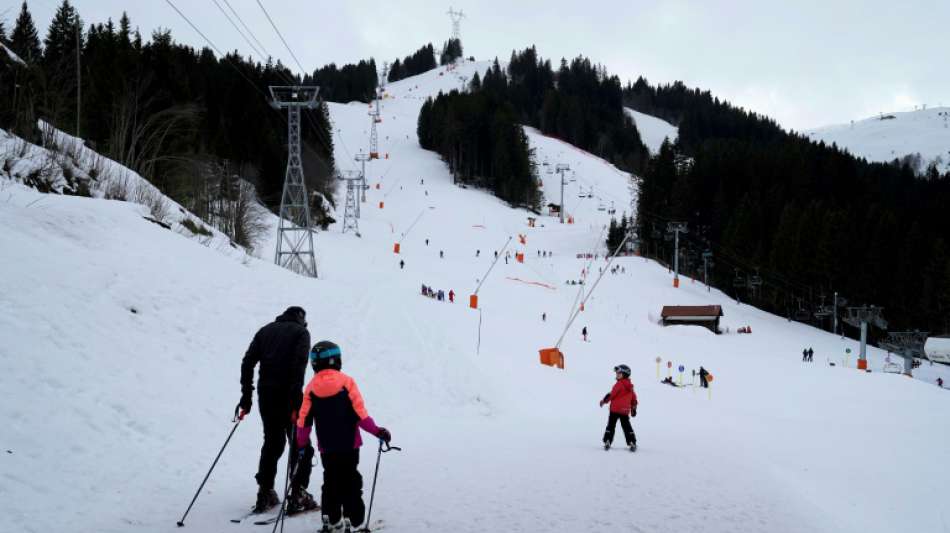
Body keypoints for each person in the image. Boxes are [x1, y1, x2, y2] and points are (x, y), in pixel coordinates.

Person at [296, 341, 392, 533]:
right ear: (335, 360)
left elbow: (304, 422)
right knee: (351, 480)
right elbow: (361, 416)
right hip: (350, 446)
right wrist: (378, 431)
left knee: (330, 480)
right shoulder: (347, 383)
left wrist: (301, 444)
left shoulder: (311, 389)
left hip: (327, 448)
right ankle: (354, 520)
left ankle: (331, 519)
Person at [239, 306, 318, 514]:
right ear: (301, 319)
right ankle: (298, 494)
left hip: (266, 395)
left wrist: (246, 398)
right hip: (289, 395)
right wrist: (294, 403)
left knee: (272, 442)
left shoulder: (265, 330)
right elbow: (299, 367)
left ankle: (265, 492)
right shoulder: (301, 333)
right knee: (301, 445)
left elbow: (247, 363)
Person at [599, 364, 638, 451]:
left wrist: (604, 401)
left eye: (619, 373)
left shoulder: (619, 384)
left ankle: (608, 440)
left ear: (625, 374)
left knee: (611, 425)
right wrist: (633, 408)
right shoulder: (630, 387)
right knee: (627, 426)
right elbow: (634, 399)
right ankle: (632, 441)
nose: (616, 375)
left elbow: (611, 394)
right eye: (616, 373)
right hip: (624, 411)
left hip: (614, 410)